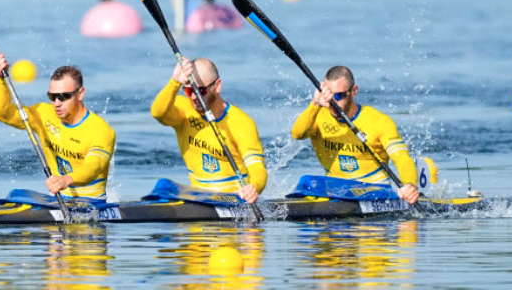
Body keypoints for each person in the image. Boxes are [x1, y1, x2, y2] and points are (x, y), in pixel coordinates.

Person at [0, 53, 115, 202]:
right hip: (56, 199)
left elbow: (94, 167)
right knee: (16, 194)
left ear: (80, 93)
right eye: (52, 96)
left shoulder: (101, 131)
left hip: (91, 202)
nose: (57, 103)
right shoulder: (43, 114)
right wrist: (0, 79)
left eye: (63, 96)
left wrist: (66, 179)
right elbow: (4, 114)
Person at [290, 65, 421, 204]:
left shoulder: (379, 122)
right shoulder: (317, 115)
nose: (333, 102)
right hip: (335, 189)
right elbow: (298, 134)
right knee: (307, 182)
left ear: (354, 91)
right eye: (328, 95)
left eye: (338, 96)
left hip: (374, 190)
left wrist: (409, 185)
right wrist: (315, 104)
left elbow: (402, 159)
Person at [151, 58, 267, 204]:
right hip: (199, 198)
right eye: (188, 90)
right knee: (164, 185)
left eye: (201, 91)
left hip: (235, 199)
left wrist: (253, 188)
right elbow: (158, 113)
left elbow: (257, 168)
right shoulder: (184, 111)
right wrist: (175, 81)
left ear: (217, 86)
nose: (194, 97)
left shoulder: (242, 123)